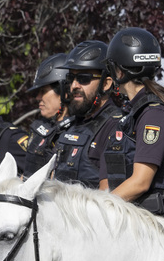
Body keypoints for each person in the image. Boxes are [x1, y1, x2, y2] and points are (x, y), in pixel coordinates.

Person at [98, 27, 164, 224]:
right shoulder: (131, 113)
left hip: (155, 224)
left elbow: (140, 182)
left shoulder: (154, 114)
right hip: (132, 218)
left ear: (119, 71)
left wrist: (98, 211)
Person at [49, 40, 124, 188]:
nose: (74, 85)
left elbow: (110, 196)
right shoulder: (69, 125)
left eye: (84, 79)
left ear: (106, 83)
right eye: (71, 79)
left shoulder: (116, 126)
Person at [22, 53, 68, 174]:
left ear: (64, 91)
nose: (38, 97)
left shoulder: (80, 131)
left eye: (43, 91)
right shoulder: (39, 127)